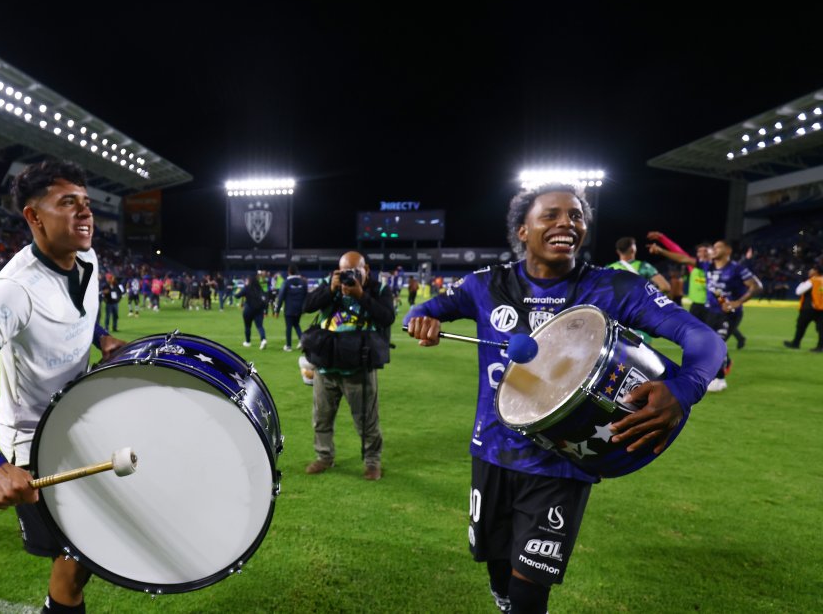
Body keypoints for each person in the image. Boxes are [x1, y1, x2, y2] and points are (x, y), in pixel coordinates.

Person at [405, 184, 725, 614]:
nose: (566, 223)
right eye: (551, 215)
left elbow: (701, 337)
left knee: (530, 590)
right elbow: (421, 311)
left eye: (575, 216)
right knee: (497, 567)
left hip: (561, 462)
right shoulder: (485, 285)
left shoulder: (613, 288)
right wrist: (419, 321)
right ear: (522, 230)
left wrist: (684, 390)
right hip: (493, 452)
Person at [0, 160, 125, 614]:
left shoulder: (88, 258)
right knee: (76, 559)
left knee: (86, 555)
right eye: (67, 203)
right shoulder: (13, 291)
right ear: (33, 217)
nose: (85, 212)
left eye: (85, 202)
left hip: (82, 420)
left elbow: (76, 309)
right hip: (36, 444)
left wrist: (102, 338)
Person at [302, 251, 395, 481]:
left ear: (366, 270)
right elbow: (307, 306)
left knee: (366, 420)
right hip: (326, 366)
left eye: (355, 271)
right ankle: (324, 457)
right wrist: (330, 289)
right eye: (345, 272)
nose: (349, 276)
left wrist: (361, 295)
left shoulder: (379, 289)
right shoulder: (329, 284)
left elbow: (387, 317)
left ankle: (372, 462)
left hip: (358, 367)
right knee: (321, 417)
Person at [650, 236, 761, 391]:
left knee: (717, 342)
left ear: (728, 250)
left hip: (730, 314)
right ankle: (717, 371)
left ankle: (720, 379)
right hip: (711, 312)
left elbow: (756, 286)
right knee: (709, 343)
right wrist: (661, 250)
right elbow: (683, 259)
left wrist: (737, 302)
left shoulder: (737, 269)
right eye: (713, 247)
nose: (714, 250)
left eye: (718, 247)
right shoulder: (708, 266)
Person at [784, 264, 823, 351]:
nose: (810, 271)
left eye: (812, 269)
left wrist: (803, 282)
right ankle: (820, 346)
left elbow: (798, 292)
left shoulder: (812, 281)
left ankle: (795, 343)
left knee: (801, 326)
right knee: (821, 328)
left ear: (816, 271)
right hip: (821, 309)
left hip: (809, 308)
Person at [275, 264, 308, 351]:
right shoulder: (303, 282)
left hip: (289, 309)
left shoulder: (286, 282)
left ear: (289, 272)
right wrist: (305, 308)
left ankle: (288, 346)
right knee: (296, 324)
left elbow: (281, 297)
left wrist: (277, 310)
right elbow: (306, 296)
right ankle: (302, 341)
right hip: (299, 308)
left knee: (289, 326)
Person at [237, 273, 268, 349]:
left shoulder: (247, 287)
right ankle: (263, 340)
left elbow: (237, 295)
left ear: (249, 280)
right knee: (260, 326)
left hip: (248, 309)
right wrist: (265, 310)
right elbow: (265, 299)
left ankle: (248, 342)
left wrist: (244, 289)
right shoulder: (259, 288)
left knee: (247, 326)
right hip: (259, 310)